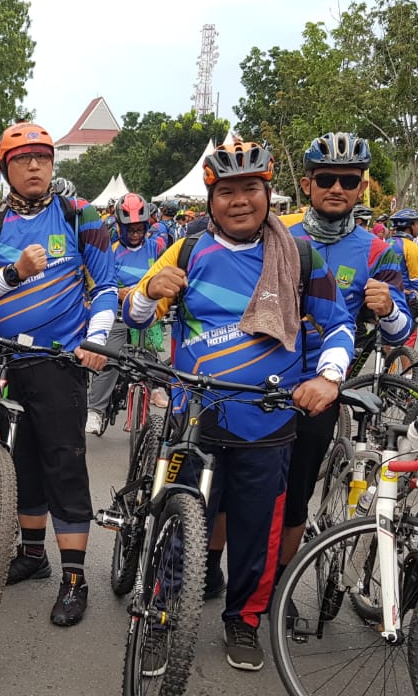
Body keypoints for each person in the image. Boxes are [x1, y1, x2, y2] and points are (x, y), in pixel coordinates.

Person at [122, 140, 354, 671]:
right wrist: (148, 291)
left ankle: (244, 620)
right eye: (227, 191)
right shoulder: (186, 251)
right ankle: (161, 615)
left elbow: (339, 325)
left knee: (256, 534)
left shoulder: (299, 255)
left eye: (251, 188)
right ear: (211, 200)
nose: (240, 200)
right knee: (176, 526)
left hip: (267, 421)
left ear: (268, 193)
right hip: (194, 417)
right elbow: (134, 317)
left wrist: (328, 377)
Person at [245, 133, 410, 611]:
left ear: (362, 187)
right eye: (327, 179)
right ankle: (212, 568)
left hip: (321, 387)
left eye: (349, 181)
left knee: (296, 493)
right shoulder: (276, 232)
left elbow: (402, 331)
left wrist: (388, 309)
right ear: (307, 184)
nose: (337, 188)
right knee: (239, 483)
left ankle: (277, 588)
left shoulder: (378, 250)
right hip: (257, 376)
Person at [0, 121, 115, 628]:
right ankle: (32, 554)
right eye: (22, 159)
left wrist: (96, 339)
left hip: (59, 361)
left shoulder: (78, 214)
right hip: (3, 360)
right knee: (19, 461)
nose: (34, 166)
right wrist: (14, 273)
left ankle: (75, 577)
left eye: (42, 158)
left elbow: (106, 286)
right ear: (5, 168)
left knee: (63, 464)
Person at [86, 191, 165, 435]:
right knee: (109, 359)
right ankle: (96, 410)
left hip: (147, 314)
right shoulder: (111, 251)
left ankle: (155, 389)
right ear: (120, 227)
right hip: (119, 312)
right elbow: (101, 281)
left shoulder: (157, 247)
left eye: (139, 229)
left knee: (150, 359)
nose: (135, 234)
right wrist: (120, 293)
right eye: (129, 230)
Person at [386, 208, 418, 316]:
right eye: (417, 224)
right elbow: (416, 278)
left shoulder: (386, 243)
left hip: (386, 295)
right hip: (404, 297)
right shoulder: (411, 246)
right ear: (410, 226)